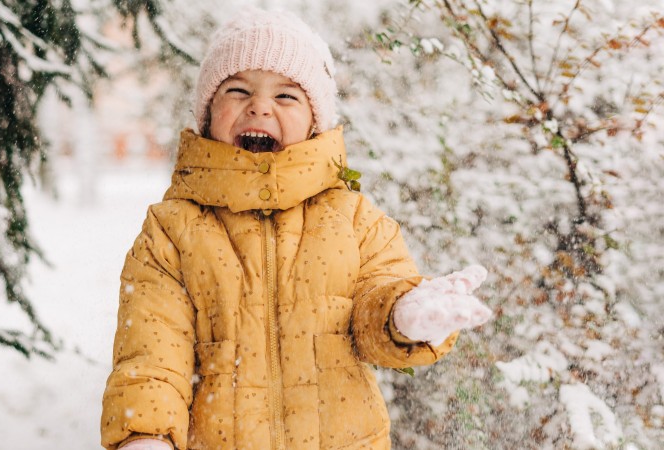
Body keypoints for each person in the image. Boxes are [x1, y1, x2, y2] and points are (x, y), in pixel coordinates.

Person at [101, 7, 492, 450]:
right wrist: (146, 436)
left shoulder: (354, 220)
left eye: (286, 96)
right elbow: (151, 355)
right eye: (237, 89)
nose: (259, 106)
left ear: (314, 122)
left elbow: (375, 306)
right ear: (208, 114)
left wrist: (402, 314)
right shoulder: (171, 231)